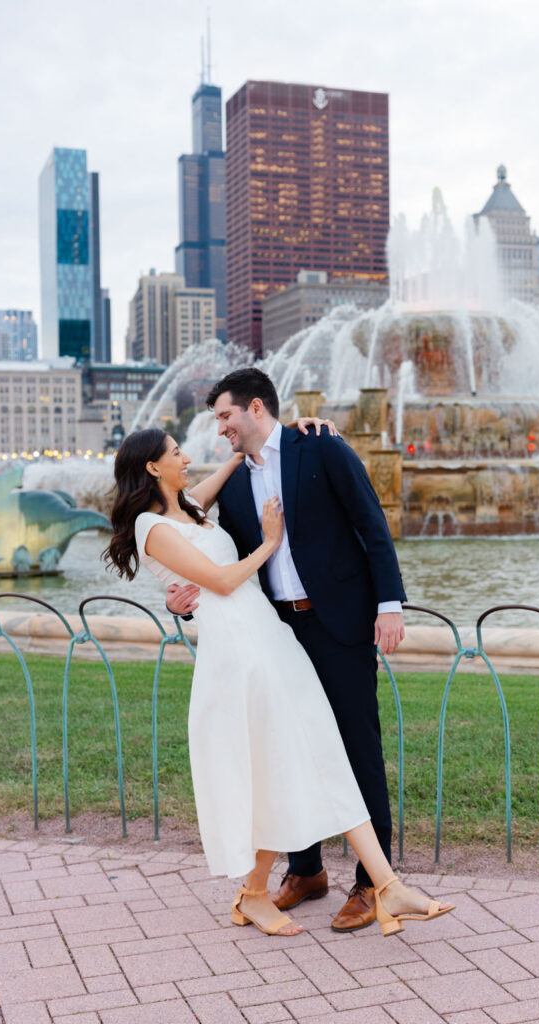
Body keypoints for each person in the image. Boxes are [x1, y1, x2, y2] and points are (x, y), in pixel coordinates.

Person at [105, 425, 454, 938]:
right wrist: (270, 543)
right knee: (280, 763)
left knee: (317, 752)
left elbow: (230, 465)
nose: (187, 458)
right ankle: (255, 894)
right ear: (153, 467)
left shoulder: (190, 508)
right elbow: (221, 581)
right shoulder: (149, 527)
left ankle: (385, 885)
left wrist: (284, 433)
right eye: (176, 453)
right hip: (239, 652)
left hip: (271, 641)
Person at [166, 367, 407, 932]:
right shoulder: (232, 483)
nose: (219, 427)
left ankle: (373, 885)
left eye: (225, 415)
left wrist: (388, 604)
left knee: (355, 748)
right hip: (278, 633)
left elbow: (370, 522)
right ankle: (306, 871)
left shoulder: (319, 445)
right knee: (288, 750)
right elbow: (218, 560)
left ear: (255, 408)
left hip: (341, 627)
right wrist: (184, 600)